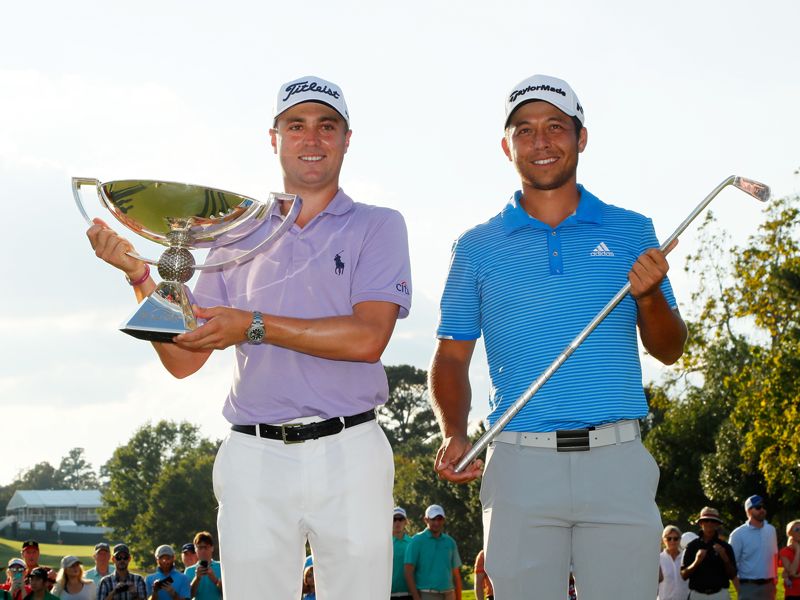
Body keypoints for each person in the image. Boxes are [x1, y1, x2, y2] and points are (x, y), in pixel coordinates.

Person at [87, 75, 411, 600]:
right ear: (274, 138)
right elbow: (184, 359)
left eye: (326, 126)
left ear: (347, 139)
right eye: (296, 126)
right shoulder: (235, 230)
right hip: (254, 454)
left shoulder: (378, 225)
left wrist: (254, 325)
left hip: (351, 449)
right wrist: (143, 278)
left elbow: (368, 338)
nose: (312, 139)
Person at [430, 73, 687, 600]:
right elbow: (452, 357)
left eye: (555, 127)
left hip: (617, 460)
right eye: (524, 130)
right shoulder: (475, 246)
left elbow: (669, 348)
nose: (540, 141)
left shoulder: (632, 230)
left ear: (581, 137)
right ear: (507, 146)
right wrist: (454, 428)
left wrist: (648, 296)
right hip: (521, 465)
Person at [404, 505, 462, 600]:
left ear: (444, 520)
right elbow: (408, 571)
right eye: (433, 519)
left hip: (449, 594)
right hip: (427, 594)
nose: (436, 522)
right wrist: (416, 597)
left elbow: (456, 574)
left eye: (439, 519)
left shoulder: (450, 542)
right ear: (426, 520)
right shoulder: (416, 541)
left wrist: (459, 598)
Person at [729, 495, 778, 600]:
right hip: (748, 586)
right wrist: (739, 588)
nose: (762, 510)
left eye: (763, 507)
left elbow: (774, 556)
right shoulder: (738, 534)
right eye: (758, 507)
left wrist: (774, 581)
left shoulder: (771, 530)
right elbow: (731, 564)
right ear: (748, 511)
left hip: (769, 586)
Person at [681, 506, 737, 599]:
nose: (709, 523)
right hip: (697, 595)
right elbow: (684, 575)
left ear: (717, 524)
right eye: (706, 520)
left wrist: (725, 558)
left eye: (713, 521)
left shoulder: (726, 547)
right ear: (701, 523)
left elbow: (733, 575)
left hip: (720, 595)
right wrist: (696, 562)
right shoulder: (692, 546)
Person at [184, 532, 221, 600]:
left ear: (212, 548)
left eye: (206, 547)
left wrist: (215, 579)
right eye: (200, 548)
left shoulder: (221, 567)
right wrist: (197, 578)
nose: (203, 551)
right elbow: (188, 596)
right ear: (195, 549)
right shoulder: (189, 571)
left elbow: (229, 592)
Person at [659, 525, 690, 600]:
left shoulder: (686, 558)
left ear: (680, 540)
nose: (672, 541)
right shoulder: (659, 559)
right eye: (669, 538)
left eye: (675, 539)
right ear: (663, 540)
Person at [392, 507, 413, 600]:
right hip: (389, 594)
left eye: (401, 519)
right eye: (394, 519)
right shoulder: (385, 544)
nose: (397, 522)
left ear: (405, 522)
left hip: (408, 594)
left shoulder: (412, 543)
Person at [779, 519, 800, 597]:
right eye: (797, 529)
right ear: (790, 533)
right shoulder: (785, 551)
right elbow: (792, 572)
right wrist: (798, 550)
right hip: (793, 594)